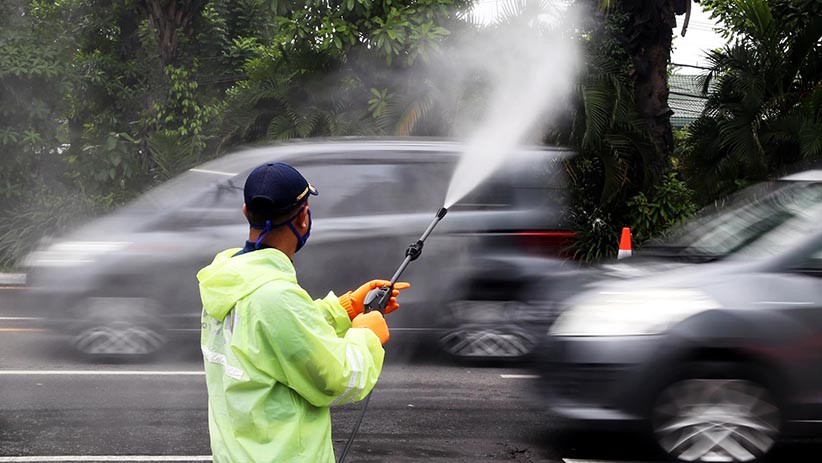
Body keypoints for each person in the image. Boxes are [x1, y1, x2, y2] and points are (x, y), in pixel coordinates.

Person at [197, 162, 410, 462]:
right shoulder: (276, 297)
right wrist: (366, 336)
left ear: (246, 213)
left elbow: (271, 337)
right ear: (304, 219)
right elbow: (336, 379)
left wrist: (345, 308)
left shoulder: (226, 279)